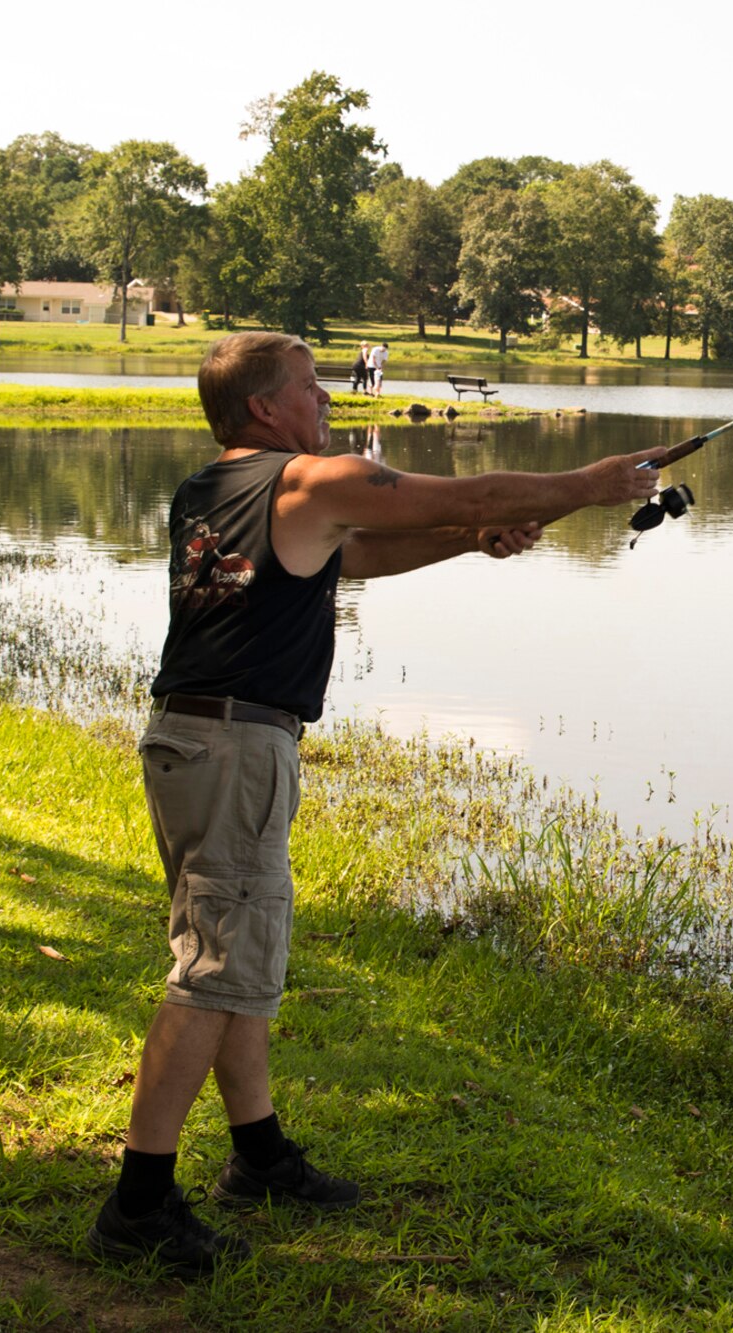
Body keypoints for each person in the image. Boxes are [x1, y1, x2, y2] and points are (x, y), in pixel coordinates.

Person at [85, 331, 663, 1275]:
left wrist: (467, 543)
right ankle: (138, 1203)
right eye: (310, 388)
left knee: (239, 958)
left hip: (197, 739)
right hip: (234, 747)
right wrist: (590, 483)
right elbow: (474, 491)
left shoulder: (213, 491)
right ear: (266, 409)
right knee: (211, 972)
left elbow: (351, 561)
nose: (326, 399)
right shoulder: (310, 477)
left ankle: (260, 1156)